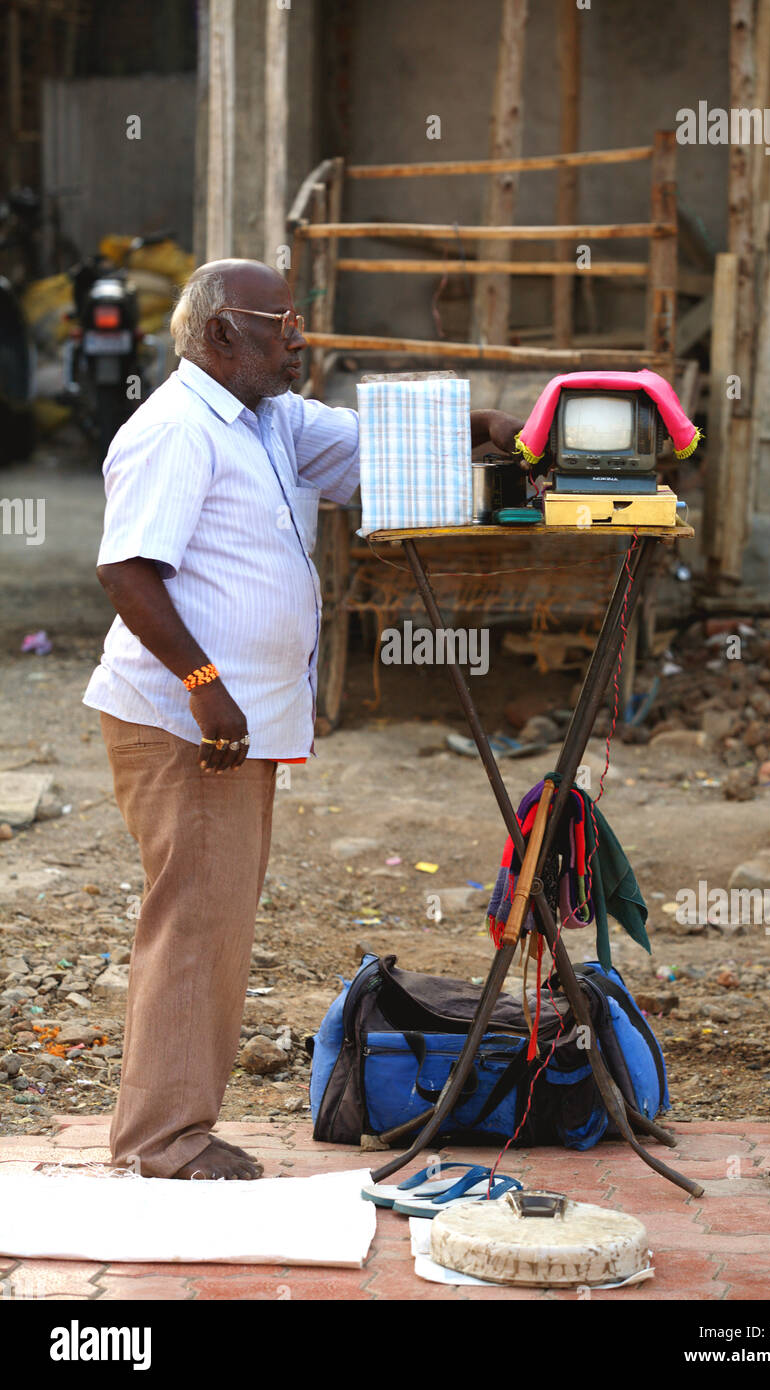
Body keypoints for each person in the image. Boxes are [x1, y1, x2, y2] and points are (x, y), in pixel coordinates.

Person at [83, 257, 525, 1178]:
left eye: (298, 317)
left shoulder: (268, 420)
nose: (298, 336)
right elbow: (127, 571)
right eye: (278, 321)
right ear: (218, 335)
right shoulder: (175, 430)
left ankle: (170, 1128)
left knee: (213, 919)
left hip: (230, 725)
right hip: (186, 722)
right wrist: (204, 681)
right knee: (196, 924)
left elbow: (378, 447)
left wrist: (493, 429)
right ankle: (165, 1142)